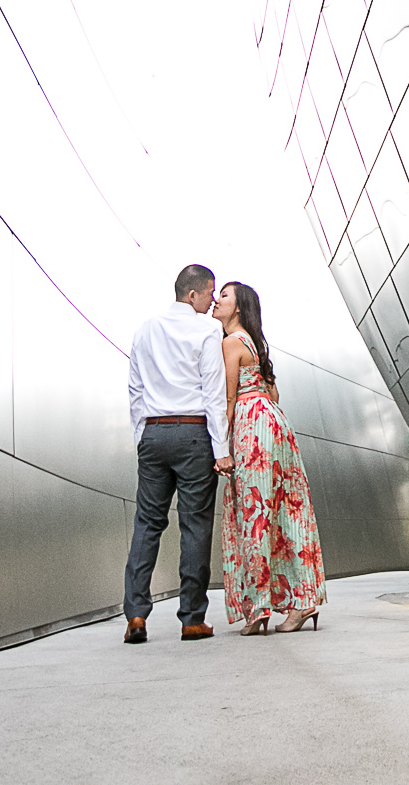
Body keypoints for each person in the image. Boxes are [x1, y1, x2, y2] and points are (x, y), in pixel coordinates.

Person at [122, 264, 233, 644]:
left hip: (153, 434)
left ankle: (135, 616)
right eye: (210, 293)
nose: (212, 301)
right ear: (192, 295)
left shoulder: (145, 329)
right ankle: (191, 619)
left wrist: (143, 434)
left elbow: (135, 389)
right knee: (195, 526)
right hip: (192, 433)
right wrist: (222, 449)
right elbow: (213, 393)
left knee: (147, 525)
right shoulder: (206, 330)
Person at [214, 281, 325, 635]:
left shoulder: (231, 343)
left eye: (225, 296)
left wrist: (223, 447)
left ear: (239, 309)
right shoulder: (257, 345)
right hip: (275, 423)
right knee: (289, 510)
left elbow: (228, 399)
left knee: (254, 512)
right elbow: (273, 391)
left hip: (251, 426)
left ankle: (259, 607)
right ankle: (305, 598)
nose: (218, 300)